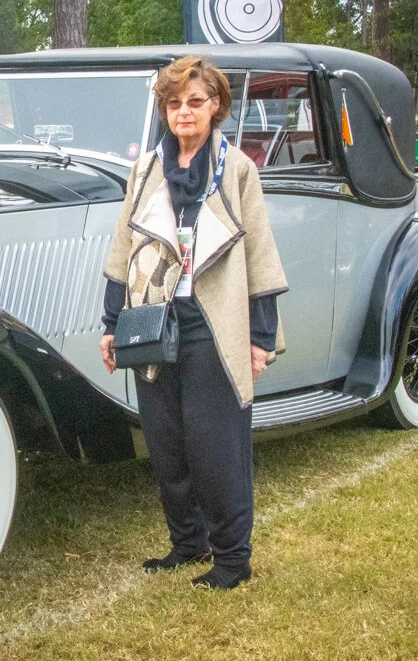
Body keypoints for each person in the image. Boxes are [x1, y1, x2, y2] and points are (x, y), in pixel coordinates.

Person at [99, 55, 288, 590]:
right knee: (166, 443)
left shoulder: (238, 169)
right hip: (153, 321)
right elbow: (122, 250)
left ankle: (232, 559)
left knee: (215, 446)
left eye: (196, 101)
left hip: (213, 321)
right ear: (164, 110)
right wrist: (112, 323)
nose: (185, 112)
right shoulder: (145, 170)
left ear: (216, 106)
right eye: (175, 103)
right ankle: (187, 542)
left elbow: (261, 256)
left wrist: (260, 338)